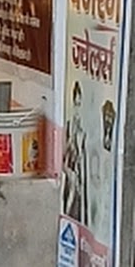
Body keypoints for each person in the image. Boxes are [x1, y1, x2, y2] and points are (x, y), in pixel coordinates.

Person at [62, 81, 88, 224]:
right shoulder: (69, 128)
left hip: (78, 185)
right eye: (76, 104)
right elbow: (63, 159)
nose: (77, 110)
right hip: (69, 180)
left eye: (79, 104)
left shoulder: (81, 133)